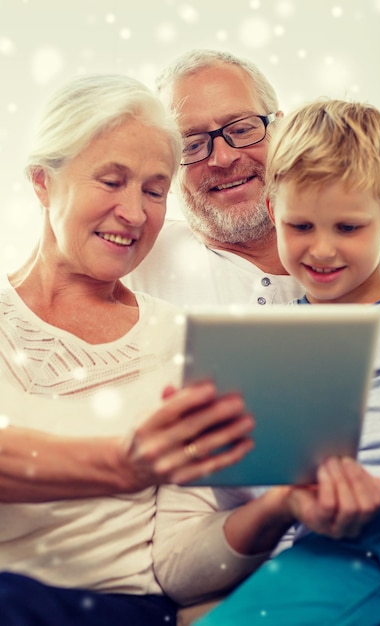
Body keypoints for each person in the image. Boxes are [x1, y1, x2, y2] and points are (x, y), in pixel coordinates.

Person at [0, 73, 257, 626]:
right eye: (111, 181)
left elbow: (181, 557)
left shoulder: (188, 343)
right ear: (43, 182)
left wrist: (278, 510)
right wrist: (121, 464)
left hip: (124, 608)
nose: (135, 215)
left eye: (154, 190)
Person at [191, 99, 380, 625]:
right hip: (326, 536)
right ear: (274, 214)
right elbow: (242, 492)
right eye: (300, 226)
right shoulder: (266, 343)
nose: (321, 250)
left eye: (348, 228)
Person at [125, 48, 380, 306]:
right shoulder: (133, 262)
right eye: (191, 144)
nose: (223, 158)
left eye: (242, 129)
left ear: (281, 131)